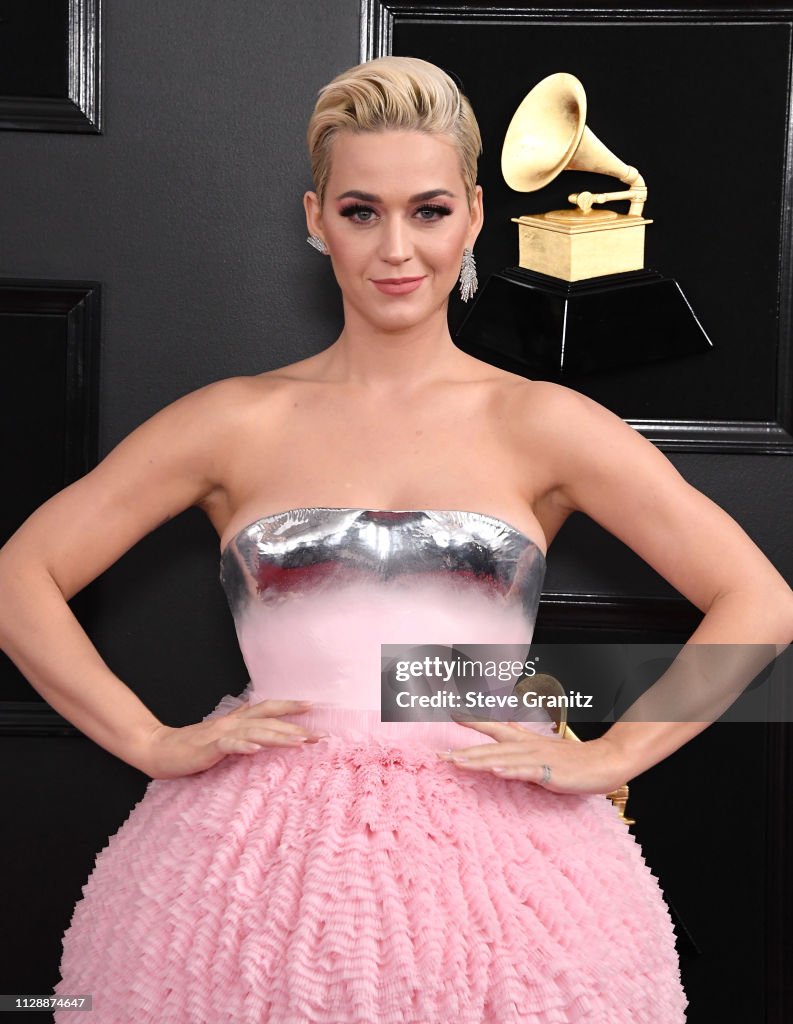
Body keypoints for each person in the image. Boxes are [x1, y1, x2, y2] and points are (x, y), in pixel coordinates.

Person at [1, 55, 792, 1024]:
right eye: (359, 210)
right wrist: (147, 738)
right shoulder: (232, 422)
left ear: (471, 215)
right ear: (312, 219)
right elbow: (19, 574)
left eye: (426, 210)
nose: (394, 249)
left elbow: (760, 600)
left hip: (506, 872)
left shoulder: (541, 422)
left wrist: (615, 752)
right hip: (247, 865)